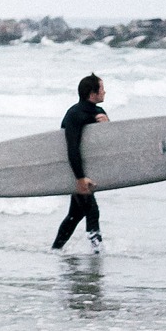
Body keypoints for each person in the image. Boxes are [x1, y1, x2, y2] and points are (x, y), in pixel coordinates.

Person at [52, 72, 110, 252]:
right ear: (92, 93)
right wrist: (80, 178)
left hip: (86, 171)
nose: (105, 92)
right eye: (102, 89)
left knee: (75, 214)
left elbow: (108, 144)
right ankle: (97, 252)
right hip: (75, 170)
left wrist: (107, 125)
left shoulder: (99, 113)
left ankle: (55, 250)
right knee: (91, 210)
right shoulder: (75, 115)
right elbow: (72, 147)